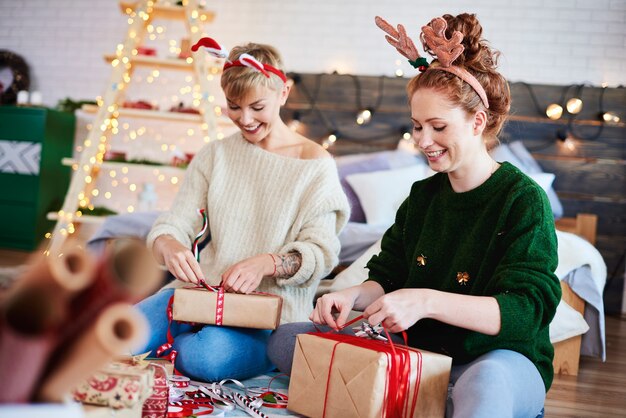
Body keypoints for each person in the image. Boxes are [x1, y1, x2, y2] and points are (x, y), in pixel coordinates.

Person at [268, 13, 560, 418]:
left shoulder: (523, 200)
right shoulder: (423, 196)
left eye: (438, 127)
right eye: (417, 126)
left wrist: (425, 301)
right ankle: (428, 401)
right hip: (418, 355)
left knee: (486, 387)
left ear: (477, 122)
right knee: (287, 340)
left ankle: (434, 400)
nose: (423, 141)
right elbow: (387, 276)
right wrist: (351, 295)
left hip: (493, 361)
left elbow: (525, 312)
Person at [134, 37, 350, 382]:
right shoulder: (215, 155)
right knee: (118, 333)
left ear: (283, 92)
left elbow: (321, 253)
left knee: (205, 357)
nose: (245, 119)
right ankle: (184, 338)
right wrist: (170, 246)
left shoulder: (315, 165)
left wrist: (267, 262)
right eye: (234, 107)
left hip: (267, 315)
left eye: (256, 107)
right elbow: (174, 223)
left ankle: (232, 351)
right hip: (198, 299)